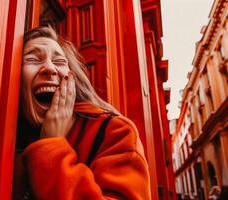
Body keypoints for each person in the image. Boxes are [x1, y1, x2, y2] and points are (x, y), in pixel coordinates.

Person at [13, 26, 151, 200]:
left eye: (59, 62)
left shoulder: (116, 131)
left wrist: (51, 147)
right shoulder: (4, 139)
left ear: (72, 78)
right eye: (32, 59)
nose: (50, 68)